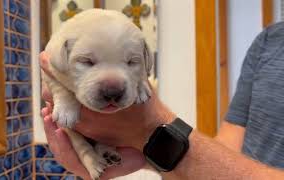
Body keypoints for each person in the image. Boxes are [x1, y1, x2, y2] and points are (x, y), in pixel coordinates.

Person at [40, 22, 284, 180]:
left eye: (131, 62)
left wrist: (151, 128)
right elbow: (226, 155)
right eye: (88, 62)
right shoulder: (267, 42)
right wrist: (144, 152)